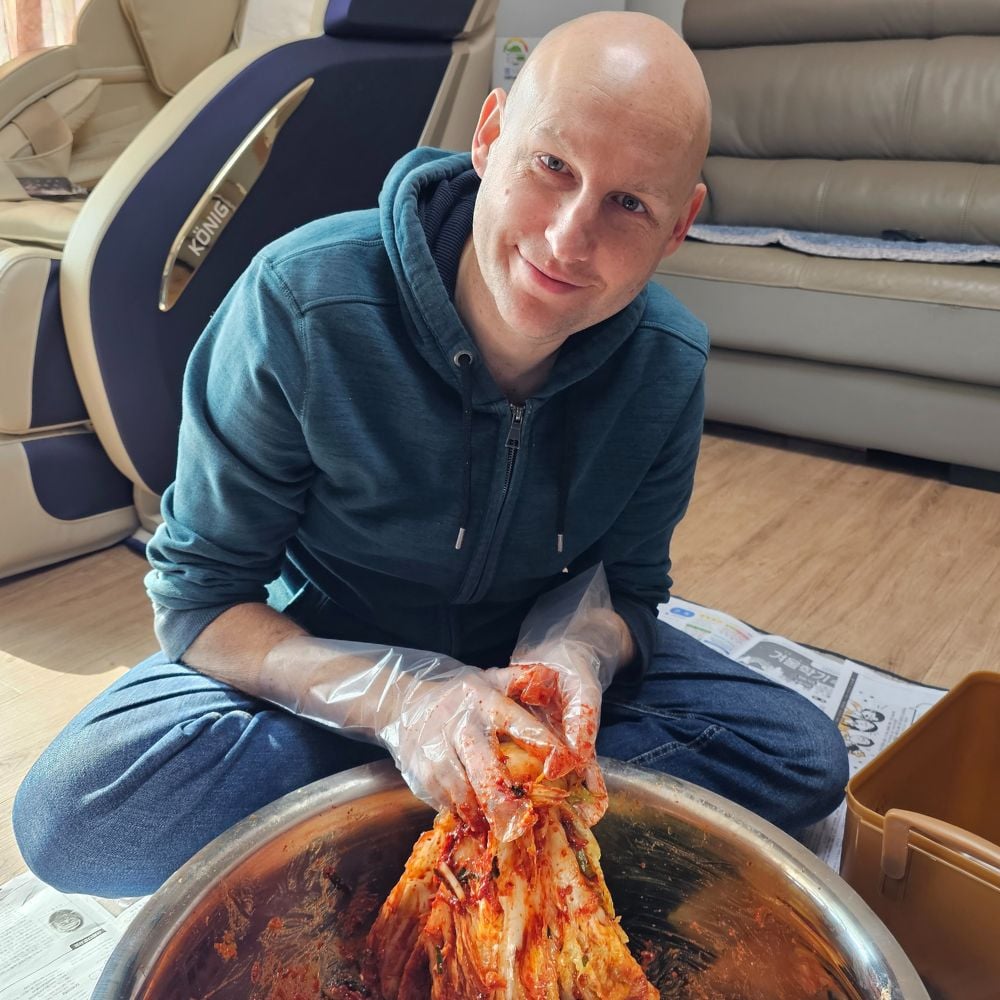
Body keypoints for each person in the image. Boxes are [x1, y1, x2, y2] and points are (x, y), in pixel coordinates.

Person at [13, 12, 848, 897]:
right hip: (325, 658)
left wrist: (574, 658)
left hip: (519, 689)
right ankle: (483, 810)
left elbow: (629, 587)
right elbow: (201, 602)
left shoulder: (667, 367)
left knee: (801, 757)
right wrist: (402, 703)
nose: (568, 238)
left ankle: (446, 807)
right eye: (552, 166)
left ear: (679, 225)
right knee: (77, 815)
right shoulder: (299, 305)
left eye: (629, 203)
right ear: (489, 136)